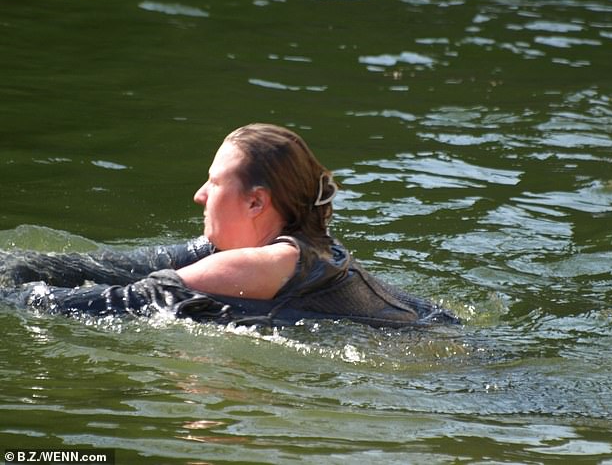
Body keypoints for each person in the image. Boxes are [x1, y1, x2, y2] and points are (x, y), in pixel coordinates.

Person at [0, 123, 459, 328]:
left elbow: (77, 306)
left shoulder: (253, 267)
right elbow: (113, 266)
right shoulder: (301, 244)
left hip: (441, 373)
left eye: (214, 183)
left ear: (257, 201)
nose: (200, 195)